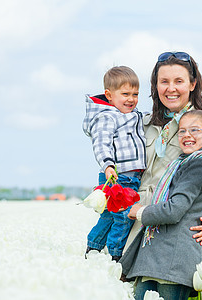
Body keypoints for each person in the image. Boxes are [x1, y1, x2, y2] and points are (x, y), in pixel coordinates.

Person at [123, 51, 202, 253]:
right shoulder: (143, 124)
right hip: (131, 226)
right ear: (155, 86)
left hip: (171, 233)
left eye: (179, 81)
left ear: (192, 85)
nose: (171, 88)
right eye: (164, 81)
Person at [120, 110, 202, 300]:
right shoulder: (185, 163)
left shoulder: (200, 166)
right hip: (161, 258)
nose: (187, 135)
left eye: (194, 130)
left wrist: (140, 212)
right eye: (182, 131)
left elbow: (174, 210)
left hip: (173, 261)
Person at [82, 66, 146, 261]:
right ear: (109, 95)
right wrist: (108, 165)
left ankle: (93, 247)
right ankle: (115, 256)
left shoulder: (132, 115)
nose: (131, 99)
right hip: (118, 175)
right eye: (125, 94)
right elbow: (101, 143)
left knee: (109, 216)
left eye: (135, 94)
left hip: (130, 176)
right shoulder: (106, 116)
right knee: (123, 217)